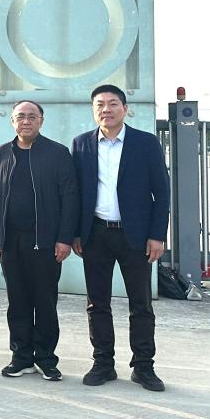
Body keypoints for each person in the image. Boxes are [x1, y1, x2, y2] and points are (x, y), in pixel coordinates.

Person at [71, 85, 171, 392]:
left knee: (140, 304)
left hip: (135, 235)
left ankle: (143, 366)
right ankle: (103, 363)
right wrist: (76, 232)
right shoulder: (82, 144)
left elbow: (162, 192)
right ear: (93, 110)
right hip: (95, 234)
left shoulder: (145, 143)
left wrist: (157, 235)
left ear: (125, 109)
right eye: (100, 104)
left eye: (113, 103)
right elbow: (75, 193)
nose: (106, 109)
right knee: (96, 303)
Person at [0, 100, 79, 382]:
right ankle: (21, 357)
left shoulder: (57, 153)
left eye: (31, 116)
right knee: (18, 302)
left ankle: (46, 359)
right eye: (20, 116)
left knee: (45, 302)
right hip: (11, 242)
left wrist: (64, 238)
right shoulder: (1, 154)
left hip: (46, 243)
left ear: (41, 120)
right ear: (13, 121)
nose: (25, 121)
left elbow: (70, 198)